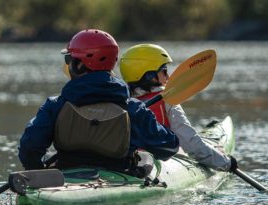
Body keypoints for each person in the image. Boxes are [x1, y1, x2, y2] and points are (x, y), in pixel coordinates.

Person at [18, 30, 179, 176]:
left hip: (65, 177)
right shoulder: (134, 109)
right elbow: (169, 147)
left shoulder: (54, 105)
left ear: (80, 65)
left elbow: (29, 149)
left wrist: (40, 174)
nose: (68, 64)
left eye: (69, 59)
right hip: (118, 176)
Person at [119, 44, 236, 172]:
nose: (168, 77)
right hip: (158, 166)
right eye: (164, 71)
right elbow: (191, 144)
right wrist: (227, 163)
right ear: (150, 76)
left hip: (124, 163)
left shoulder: (121, 101)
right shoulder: (167, 101)